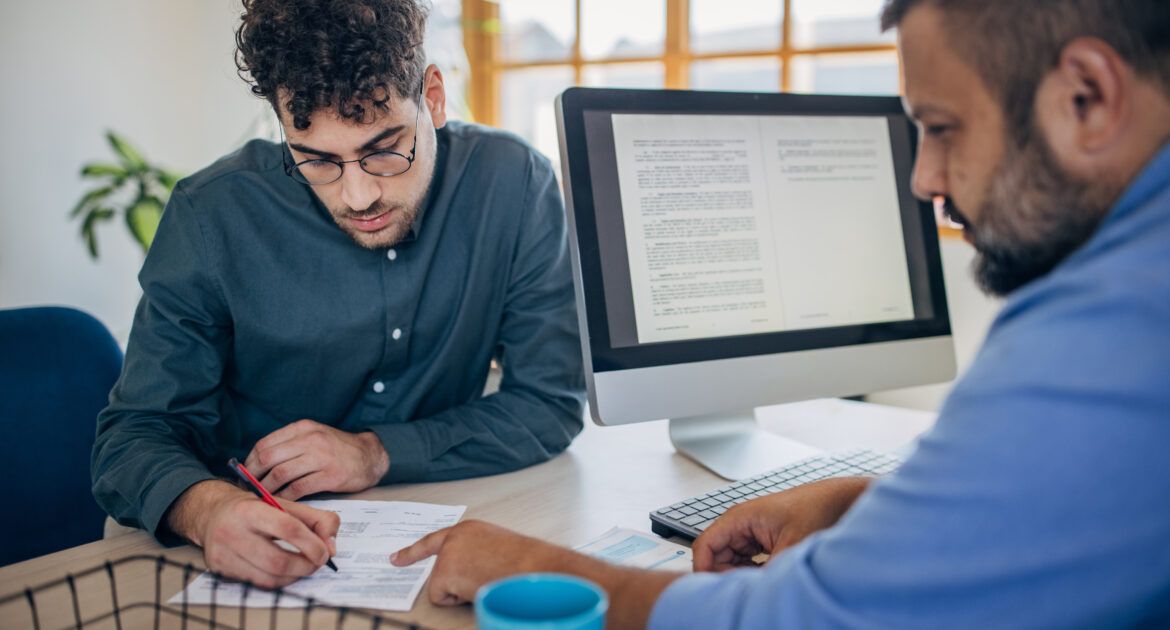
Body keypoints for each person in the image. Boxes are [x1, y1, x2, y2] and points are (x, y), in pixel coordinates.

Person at [391, 0, 1170, 626]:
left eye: (939, 127)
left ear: (1087, 97)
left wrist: (538, 567)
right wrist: (857, 501)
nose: (924, 178)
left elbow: (804, 617)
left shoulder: (1112, 334)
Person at [91, 0, 586, 589]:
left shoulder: (515, 185)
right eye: (316, 160)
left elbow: (549, 404)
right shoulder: (213, 215)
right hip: (244, 564)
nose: (357, 196)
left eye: (383, 149)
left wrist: (376, 453)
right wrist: (208, 510)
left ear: (432, 97)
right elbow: (132, 437)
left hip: (442, 539)